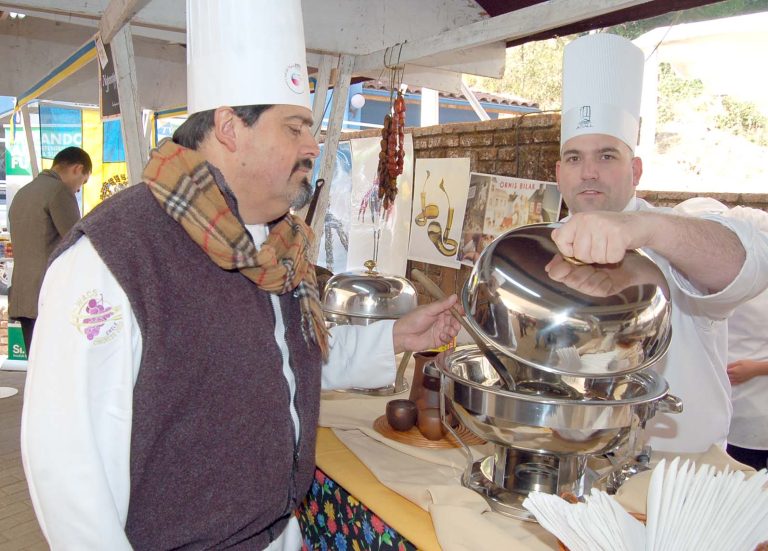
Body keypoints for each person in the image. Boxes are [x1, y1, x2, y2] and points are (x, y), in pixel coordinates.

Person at [20, 2, 460, 550]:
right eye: (294, 128)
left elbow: (286, 361)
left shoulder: (276, 245)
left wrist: (395, 336)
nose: (312, 146)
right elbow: (68, 472)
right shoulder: (114, 257)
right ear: (229, 128)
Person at [547, 33, 768, 453]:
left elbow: (749, 263)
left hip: (680, 470)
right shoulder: (545, 246)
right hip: (574, 460)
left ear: (636, 170)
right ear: (559, 174)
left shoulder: (672, 239)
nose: (589, 171)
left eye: (607, 155)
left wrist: (644, 229)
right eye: (575, 158)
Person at [674, 198, 768, 470]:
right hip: (725, 413)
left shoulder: (754, 276)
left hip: (758, 411)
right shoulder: (692, 288)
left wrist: (758, 368)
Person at [8, 146, 91, 353]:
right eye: (83, 181)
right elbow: (76, 240)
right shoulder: (59, 191)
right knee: (55, 363)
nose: (78, 189)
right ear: (77, 169)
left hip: (22, 295)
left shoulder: (23, 193)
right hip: (49, 294)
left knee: (35, 364)